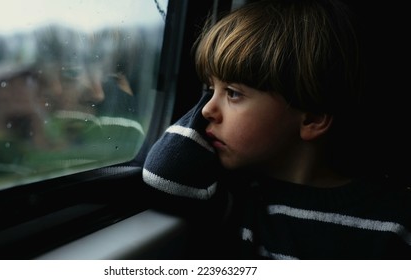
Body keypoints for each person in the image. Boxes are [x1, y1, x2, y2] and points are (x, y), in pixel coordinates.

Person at [142, 0, 411, 259]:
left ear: (312, 119)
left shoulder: (394, 224)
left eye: (233, 93)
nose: (205, 111)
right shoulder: (239, 196)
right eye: (210, 90)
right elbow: (165, 174)